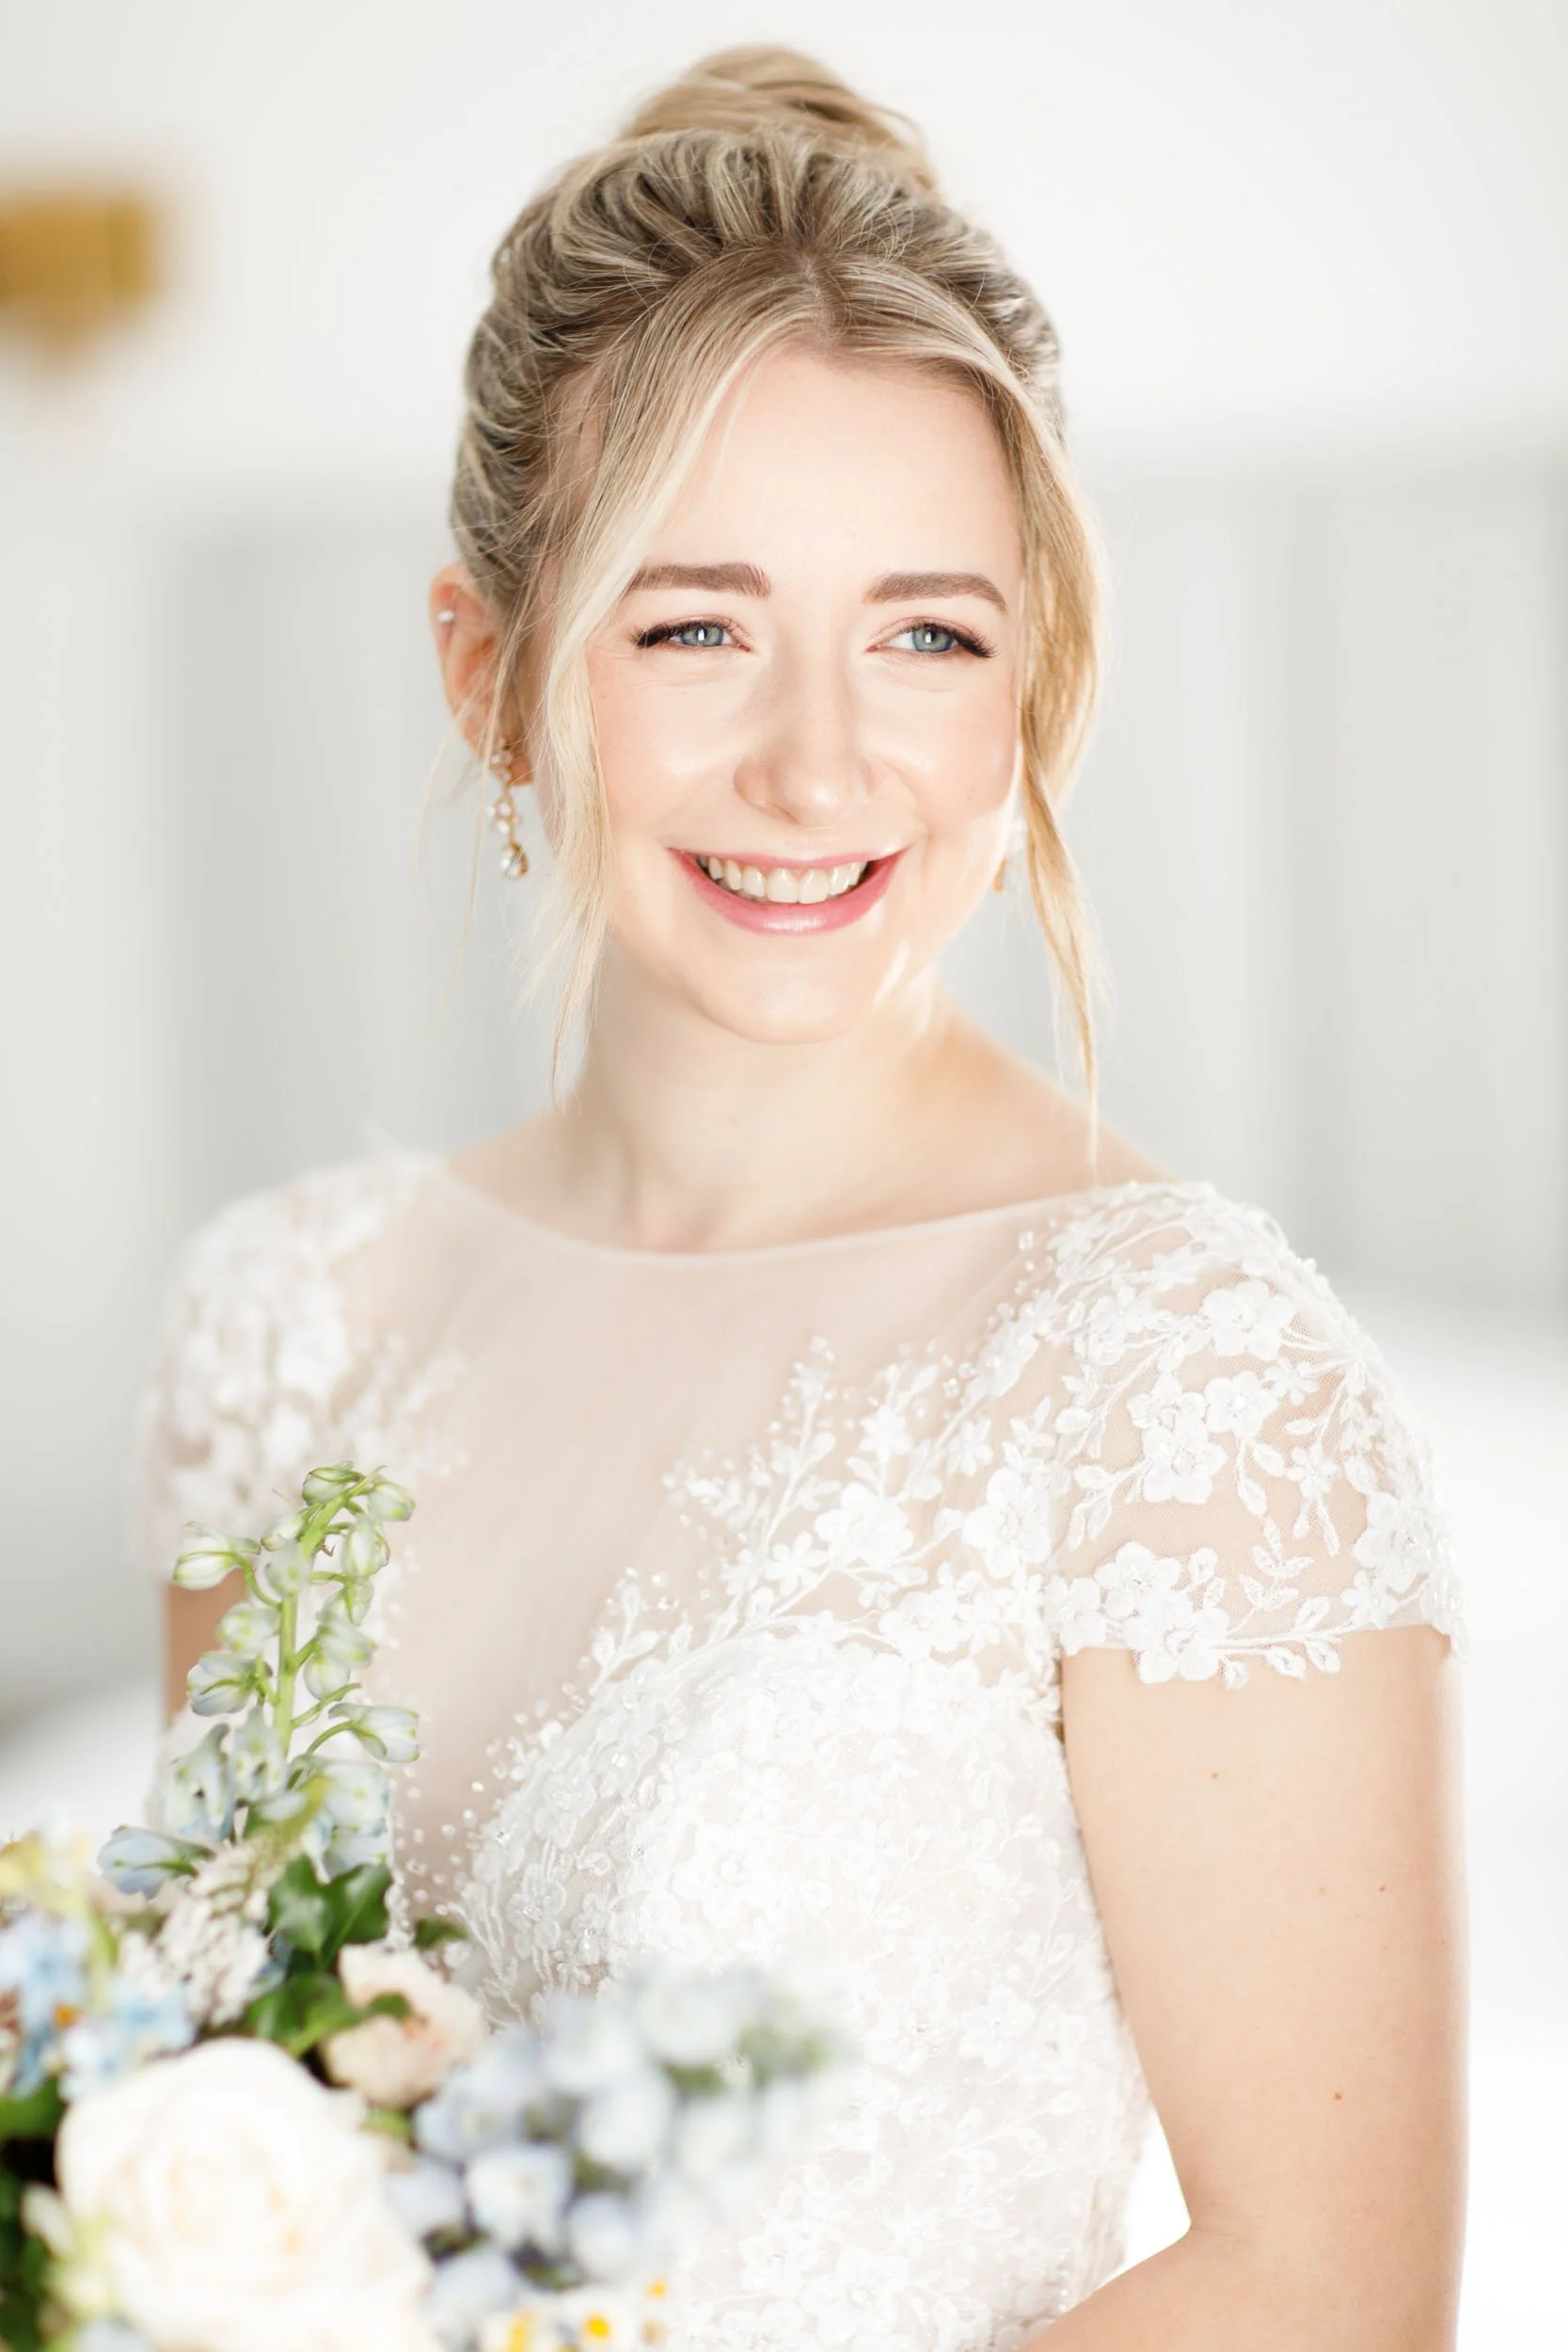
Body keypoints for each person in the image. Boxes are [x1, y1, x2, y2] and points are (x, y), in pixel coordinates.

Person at [147, 47, 1466, 2350]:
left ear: (1028, 683)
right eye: (694, 623)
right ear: (490, 674)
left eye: (927, 633)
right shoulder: (287, 1316)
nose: (820, 761)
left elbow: (1324, 2288)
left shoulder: (1173, 1379)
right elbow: (189, 2105)